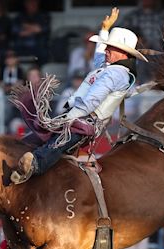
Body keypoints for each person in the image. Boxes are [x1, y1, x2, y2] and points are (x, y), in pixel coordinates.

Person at [11, 7, 150, 184]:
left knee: (57, 143)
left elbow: (91, 101)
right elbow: (99, 57)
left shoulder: (116, 73)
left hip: (85, 121)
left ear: (123, 53)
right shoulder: (112, 68)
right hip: (79, 117)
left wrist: (67, 118)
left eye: (111, 47)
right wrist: (105, 31)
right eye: (107, 46)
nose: (106, 49)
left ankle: (36, 164)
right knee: (47, 137)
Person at [11, 0, 51, 65]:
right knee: (9, 53)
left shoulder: (44, 16)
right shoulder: (20, 16)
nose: (32, 5)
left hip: (38, 45)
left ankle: (38, 72)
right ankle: (17, 72)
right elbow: (16, 31)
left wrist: (25, 27)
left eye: (34, 2)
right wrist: (34, 29)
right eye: (29, 3)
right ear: (25, 4)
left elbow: (42, 29)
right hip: (21, 45)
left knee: (44, 53)